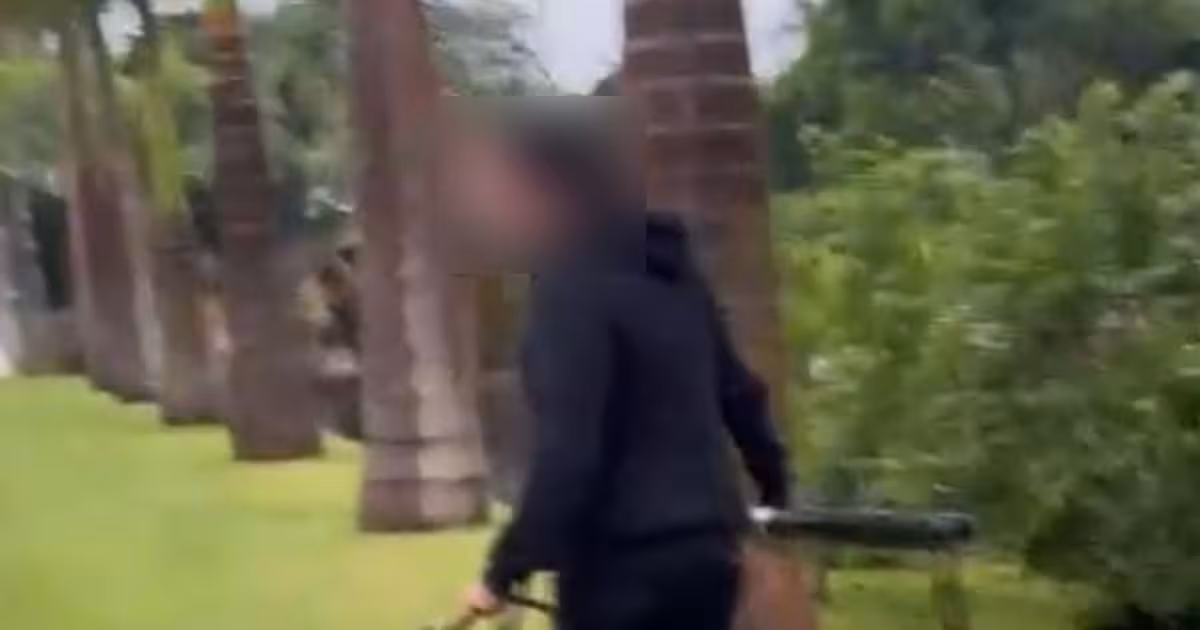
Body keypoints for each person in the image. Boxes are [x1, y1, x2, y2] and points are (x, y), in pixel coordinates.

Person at [443, 98, 792, 630]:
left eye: (499, 188)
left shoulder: (568, 291)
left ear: (545, 192)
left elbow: (570, 453)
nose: (491, 207)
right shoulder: (673, 275)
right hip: (707, 558)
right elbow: (741, 396)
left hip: (622, 571)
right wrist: (774, 495)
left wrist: (502, 573)